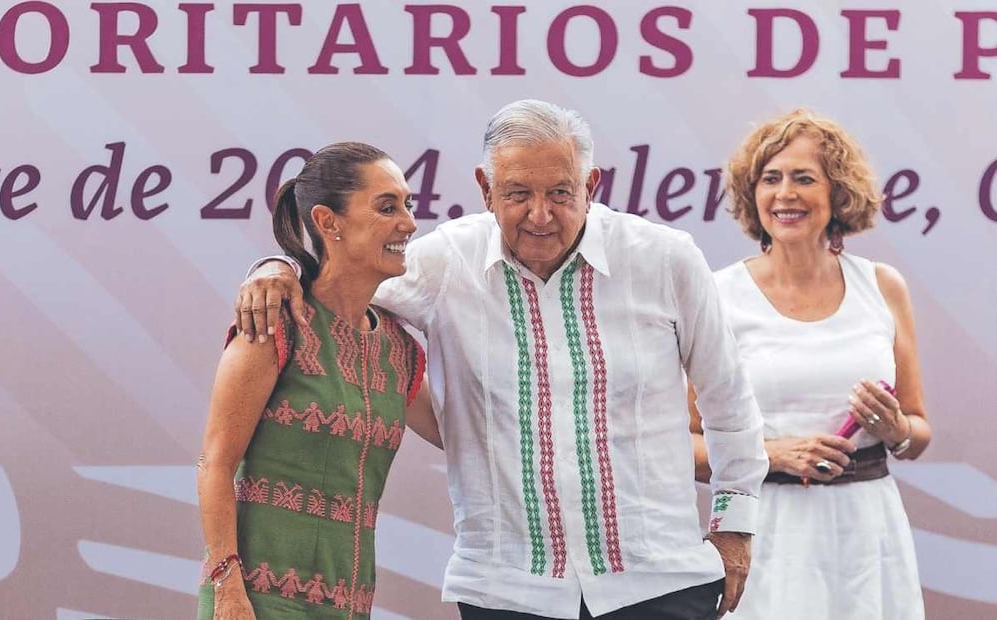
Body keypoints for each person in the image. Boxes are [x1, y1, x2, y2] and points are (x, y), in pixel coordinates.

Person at [240, 100, 768, 619]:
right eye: (517, 194)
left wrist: (735, 529)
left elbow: (729, 404)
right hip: (506, 592)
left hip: (659, 584)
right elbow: (340, 287)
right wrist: (277, 268)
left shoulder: (664, 258)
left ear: (591, 186)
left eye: (561, 193)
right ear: (485, 190)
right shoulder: (448, 262)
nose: (540, 215)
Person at [688, 109, 931, 619]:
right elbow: (677, 443)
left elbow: (917, 430)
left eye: (804, 178)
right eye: (770, 179)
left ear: (838, 193)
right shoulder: (717, 293)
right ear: (752, 194)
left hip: (868, 534)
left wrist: (895, 429)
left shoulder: (883, 286)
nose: (785, 194)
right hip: (764, 534)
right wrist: (770, 454)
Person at [196, 142, 441, 619]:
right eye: (387, 207)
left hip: (349, 606)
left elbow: (461, 432)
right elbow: (215, 463)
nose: (409, 223)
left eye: (408, 206)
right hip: (257, 602)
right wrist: (226, 588)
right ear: (329, 222)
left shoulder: (399, 350)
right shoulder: (274, 325)